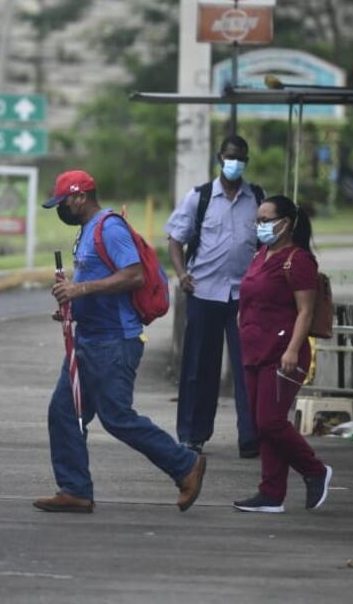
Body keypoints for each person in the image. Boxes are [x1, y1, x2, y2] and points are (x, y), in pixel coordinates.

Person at [34, 169, 207, 514]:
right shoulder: (87, 232)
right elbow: (98, 280)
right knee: (64, 412)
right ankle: (75, 489)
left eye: (62, 203)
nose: (60, 210)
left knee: (117, 416)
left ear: (80, 197)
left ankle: (185, 464)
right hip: (89, 338)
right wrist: (73, 307)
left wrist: (79, 289)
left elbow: (133, 275)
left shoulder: (109, 227)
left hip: (113, 342)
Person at [232, 194, 332, 514]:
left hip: (282, 354)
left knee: (271, 422)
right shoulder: (260, 255)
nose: (259, 226)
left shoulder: (298, 260)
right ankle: (271, 493)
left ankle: (314, 470)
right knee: (263, 425)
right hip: (253, 350)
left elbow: (305, 311)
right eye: (257, 220)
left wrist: (292, 349)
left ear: (285, 223)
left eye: (265, 220)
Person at [165, 135, 261, 458]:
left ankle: (250, 437)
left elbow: (269, 245)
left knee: (248, 368)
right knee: (199, 368)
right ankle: (192, 435)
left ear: (247, 161)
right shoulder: (200, 197)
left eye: (241, 158)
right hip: (204, 293)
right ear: (221, 158)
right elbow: (175, 240)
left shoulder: (257, 199)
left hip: (244, 296)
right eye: (230, 157)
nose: (235, 163)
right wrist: (181, 275)